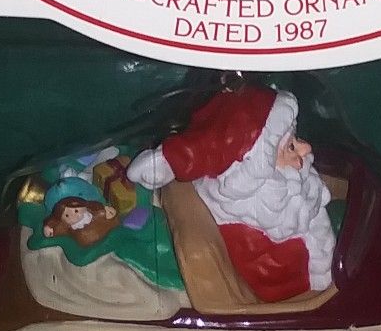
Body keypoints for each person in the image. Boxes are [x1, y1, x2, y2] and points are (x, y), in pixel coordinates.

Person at [126, 87, 335, 302]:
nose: (306, 149)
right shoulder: (260, 221)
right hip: (297, 291)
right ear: (258, 166)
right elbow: (284, 272)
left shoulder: (271, 200)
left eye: (296, 139)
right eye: (290, 146)